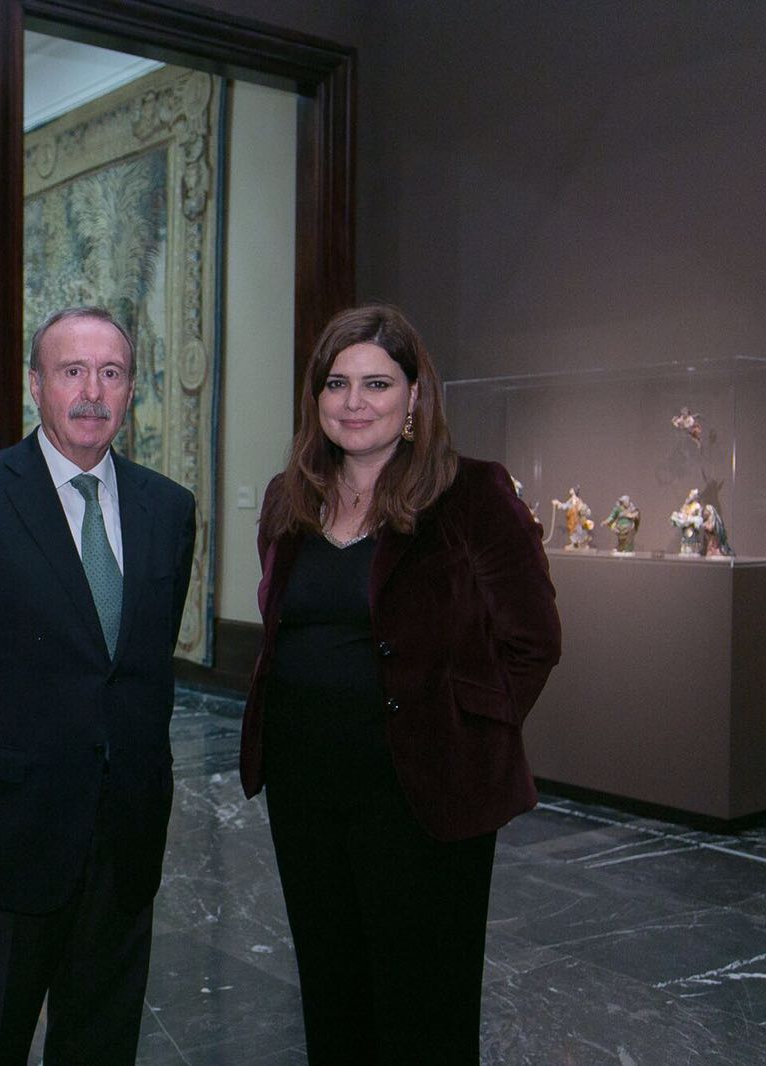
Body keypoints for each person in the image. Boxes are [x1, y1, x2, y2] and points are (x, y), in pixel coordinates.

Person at [239, 304, 561, 1064]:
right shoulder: (290, 498)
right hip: (305, 788)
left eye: (377, 383)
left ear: (415, 395)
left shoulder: (472, 494)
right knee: (332, 990)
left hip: (423, 795)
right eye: (337, 383)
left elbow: (532, 640)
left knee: (424, 1007)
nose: (354, 402)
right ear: (316, 398)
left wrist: (461, 736)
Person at [0, 306, 196, 1065]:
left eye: (111, 373)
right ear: (36, 385)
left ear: (132, 390)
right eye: (72, 371)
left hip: (125, 835)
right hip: (6, 832)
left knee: (103, 1045)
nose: (92, 392)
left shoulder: (168, 508)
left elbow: (139, 664)